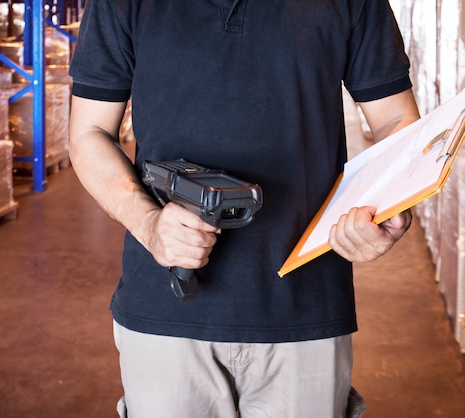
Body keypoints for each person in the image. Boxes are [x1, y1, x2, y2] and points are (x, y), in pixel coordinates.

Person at [68, 1, 420, 417]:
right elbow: (89, 132)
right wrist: (148, 224)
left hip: (304, 307)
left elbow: (395, 120)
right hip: (167, 303)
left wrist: (391, 205)